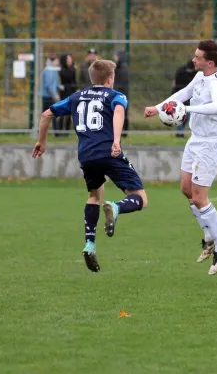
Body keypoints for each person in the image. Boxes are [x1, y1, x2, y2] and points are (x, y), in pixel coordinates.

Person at [32, 60, 148, 273]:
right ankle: (116, 207)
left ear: (92, 78)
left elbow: (46, 114)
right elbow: (120, 112)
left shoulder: (77, 97)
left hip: (86, 156)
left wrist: (42, 141)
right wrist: (116, 140)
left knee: (95, 195)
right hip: (109, 152)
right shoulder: (116, 96)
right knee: (140, 198)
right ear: (110, 78)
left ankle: (90, 244)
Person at [144, 40, 217, 276]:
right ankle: (209, 236)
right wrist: (160, 106)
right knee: (186, 189)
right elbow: (184, 93)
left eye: (198, 57)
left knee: (199, 197)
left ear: (210, 62)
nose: (193, 60)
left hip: (212, 143)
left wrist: (187, 110)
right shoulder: (201, 76)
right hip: (195, 139)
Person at [171, 59, 197, 138]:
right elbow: (175, 84)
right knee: (180, 115)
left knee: (187, 115)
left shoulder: (195, 74)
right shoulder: (180, 71)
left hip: (190, 97)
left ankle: (181, 131)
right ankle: (180, 133)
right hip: (180, 95)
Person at [58, 53, 78, 136]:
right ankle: (59, 132)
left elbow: (74, 81)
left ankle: (66, 132)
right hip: (63, 93)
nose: (70, 60)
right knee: (62, 113)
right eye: (68, 59)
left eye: (70, 59)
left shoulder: (73, 69)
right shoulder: (61, 70)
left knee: (69, 113)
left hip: (71, 93)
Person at [113, 51, 130, 136]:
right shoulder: (121, 67)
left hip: (121, 93)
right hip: (122, 93)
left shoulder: (122, 68)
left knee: (122, 113)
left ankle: (124, 131)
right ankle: (122, 131)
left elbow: (121, 82)